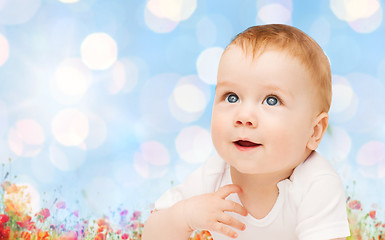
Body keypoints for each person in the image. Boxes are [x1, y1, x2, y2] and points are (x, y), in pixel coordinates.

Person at [142, 24, 350, 240]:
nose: (243, 116)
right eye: (231, 97)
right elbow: (150, 235)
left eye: (271, 100)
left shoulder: (317, 183)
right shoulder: (213, 176)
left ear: (314, 132)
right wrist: (185, 216)